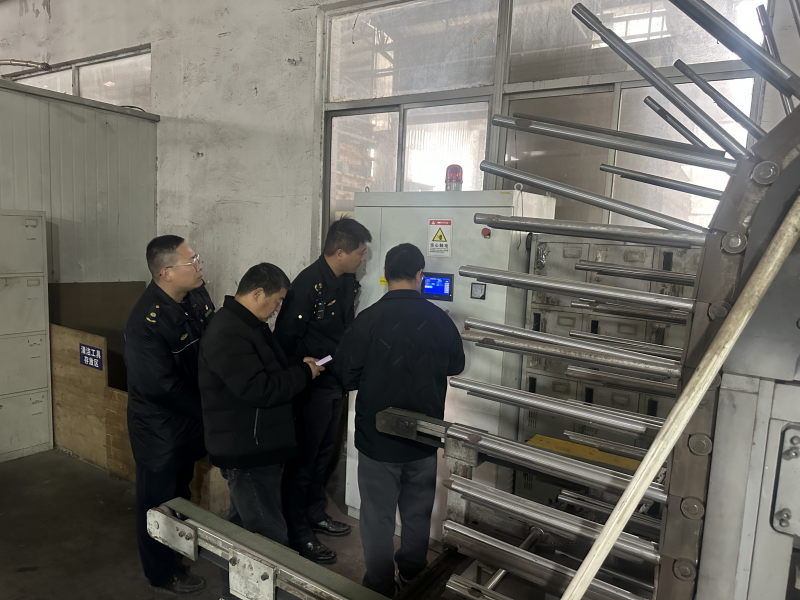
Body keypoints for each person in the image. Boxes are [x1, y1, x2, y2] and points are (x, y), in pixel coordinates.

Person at [334, 243, 466, 596]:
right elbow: (456, 365)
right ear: (420, 275)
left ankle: (379, 585)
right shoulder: (440, 319)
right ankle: (412, 575)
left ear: (386, 274)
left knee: (377, 517)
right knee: (417, 512)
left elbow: (345, 376)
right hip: (423, 437)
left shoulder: (368, 320)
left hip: (378, 440)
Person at [198, 263, 324, 600]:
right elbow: (258, 389)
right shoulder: (228, 331)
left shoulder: (248, 325)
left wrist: (299, 367)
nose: (278, 308)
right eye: (277, 301)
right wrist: (303, 374)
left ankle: (234, 594)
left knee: (243, 527)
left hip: (256, 443)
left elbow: (266, 372)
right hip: (248, 451)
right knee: (267, 536)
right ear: (257, 293)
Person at [274, 217, 372, 563]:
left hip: (335, 383)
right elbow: (284, 341)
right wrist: (302, 370)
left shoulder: (344, 281)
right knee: (304, 462)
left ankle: (315, 513)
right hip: (311, 388)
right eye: (360, 252)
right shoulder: (307, 286)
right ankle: (298, 531)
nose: (363, 258)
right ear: (340, 252)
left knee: (323, 457)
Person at [125, 235, 215, 594]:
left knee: (180, 491)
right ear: (166, 272)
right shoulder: (144, 324)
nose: (199, 266)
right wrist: (211, 410)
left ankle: (176, 548)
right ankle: (161, 572)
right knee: (156, 503)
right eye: (192, 261)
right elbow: (163, 388)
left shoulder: (196, 296)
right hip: (159, 429)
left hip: (188, 420)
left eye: (197, 258)